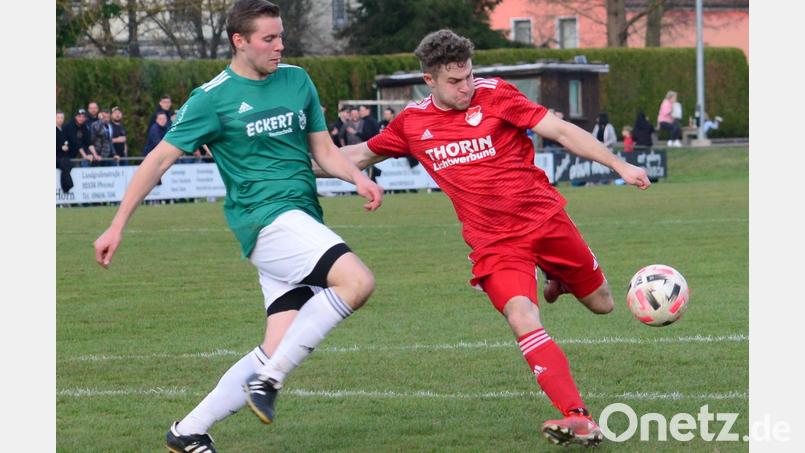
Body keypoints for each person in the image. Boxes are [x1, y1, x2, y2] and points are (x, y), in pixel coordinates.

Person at [333, 29, 651, 447]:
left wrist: (619, 165)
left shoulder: (497, 94)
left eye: (467, 76)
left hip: (545, 220)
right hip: (495, 244)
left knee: (603, 304)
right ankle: (577, 416)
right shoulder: (412, 123)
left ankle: (558, 279)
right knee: (522, 317)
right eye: (454, 81)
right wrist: (288, 164)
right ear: (429, 80)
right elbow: (356, 155)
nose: (465, 87)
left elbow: (560, 131)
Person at [92, 2, 383, 452]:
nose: (279, 46)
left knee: (278, 344)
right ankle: (269, 381)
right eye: (269, 39)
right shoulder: (213, 98)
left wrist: (357, 176)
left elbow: (324, 153)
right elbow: (158, 160)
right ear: (239, 42)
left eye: (281, 36)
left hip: (300, 219)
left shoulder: (297, 80)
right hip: (264, 221)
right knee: (358, 281)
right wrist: (116, 225)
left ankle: (188, 430)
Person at [56, 110, 74, 193]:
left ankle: (66, 187)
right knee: (64, 164)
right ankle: (68, 186)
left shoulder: (64, 130)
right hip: (56, 157)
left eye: (62, 117)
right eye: (58, 117)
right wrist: (60, 148)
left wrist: (67, 147)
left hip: (64, 157)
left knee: (68, 164)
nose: (60, 119)